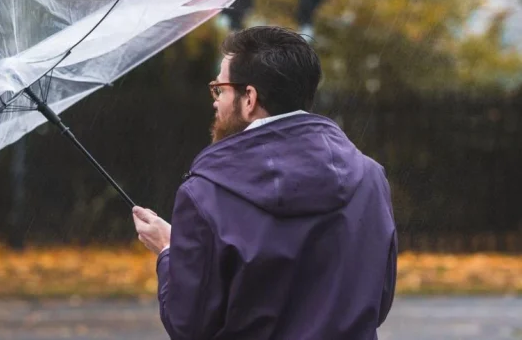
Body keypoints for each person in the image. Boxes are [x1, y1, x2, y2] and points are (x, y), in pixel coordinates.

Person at [132, 26, 397, 340]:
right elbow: (377, 302)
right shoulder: (370, 178)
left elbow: (189, 325)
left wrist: (169, 253)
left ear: (249, 98)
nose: (215, 100)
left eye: (220, 89)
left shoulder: (205, 195)